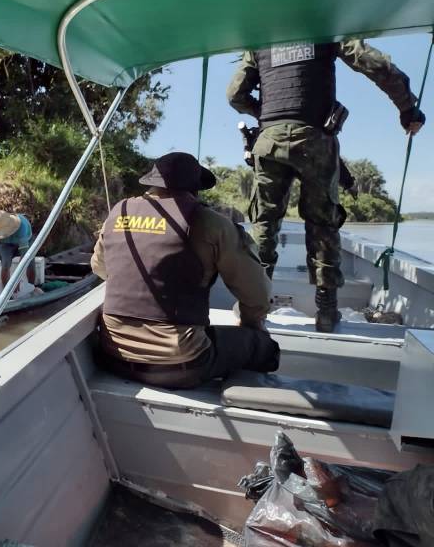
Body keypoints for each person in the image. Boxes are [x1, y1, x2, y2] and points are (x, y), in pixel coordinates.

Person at [227, 40, 425, 332]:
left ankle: (253, 308)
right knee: (322, 224)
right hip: (315, 139)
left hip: (269, 140)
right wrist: (408, 108)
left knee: (264, 224)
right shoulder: (326, 29)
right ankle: (327, 312)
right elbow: (377, 65)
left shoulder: (261, 43)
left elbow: (235, 95)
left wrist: (266, 116)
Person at [91, 152, 279, 390]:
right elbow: (257, 293)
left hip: (112, 356)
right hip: (180, 366)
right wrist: (251, 322)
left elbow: (99, 267)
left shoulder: (120, 211)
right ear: (196, 188)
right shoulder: (211, 223)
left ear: (151, 183)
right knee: (263, 346)